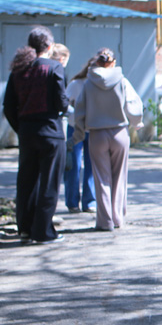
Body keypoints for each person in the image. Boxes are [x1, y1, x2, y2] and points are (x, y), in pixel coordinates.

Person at [3, 26, 69, 244]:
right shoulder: (54, 67)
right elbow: (61, 102)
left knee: (27, 181)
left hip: (27, 132)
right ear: (49, 46)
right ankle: (43, 232)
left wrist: (21, 127)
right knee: (49, 183)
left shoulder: (18, 69)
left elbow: (8, 106)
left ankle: (25, 228)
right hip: (50, 132)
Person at [73, 48, 144, 233]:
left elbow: (79, 110)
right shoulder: (122, 81)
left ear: (97, 62)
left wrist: (79, 133)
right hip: (119, 133)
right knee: (119, 177)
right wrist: (137, 122)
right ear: (113, 62)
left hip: (96, 134)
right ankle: (117, 217)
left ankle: (104, 222)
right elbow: (134, 104)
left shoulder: (88, 84)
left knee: (101, 178)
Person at [64, 57, 98, 215]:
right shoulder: (75, 84)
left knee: (91, 167)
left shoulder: (100, 85)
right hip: (75, 127)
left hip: (93, 129)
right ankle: (72, 202)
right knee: (73, 165)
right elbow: (64, 103)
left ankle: (89, 201)